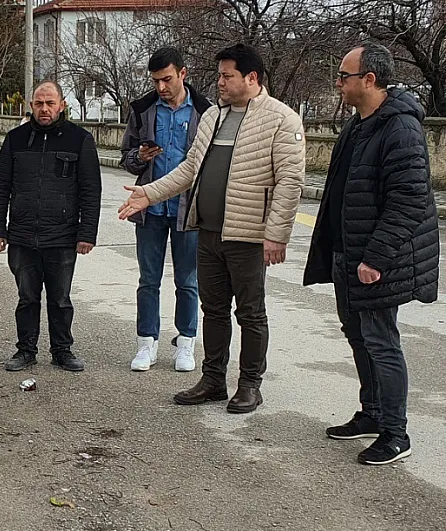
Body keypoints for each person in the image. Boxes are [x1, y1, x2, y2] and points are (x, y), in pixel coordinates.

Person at [118, 43, 305, 414]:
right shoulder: (214, 117)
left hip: (248, 236)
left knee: (250, 313)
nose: (219, 81)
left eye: (226, 75)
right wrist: (148, 195)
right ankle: (213, 379)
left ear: (251, 78)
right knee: (214, 310)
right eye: (219, 74)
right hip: (207, 232)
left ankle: (250, 384)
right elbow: (189, 170)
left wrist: (276, 234)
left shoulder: (281, 120)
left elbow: (290, 182)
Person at [303, 43, 440, 465]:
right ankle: (372, 413)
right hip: (349, 253)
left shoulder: (400, 128)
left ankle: (396, 433)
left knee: (382, 341)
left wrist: (376, 258)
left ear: (370, 79)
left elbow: (409, 199)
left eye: (344, 76)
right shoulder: (360, 125)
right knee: (358, 336)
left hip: (380, 261)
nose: (338, 84)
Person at [0, 81, 102, 372]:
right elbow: (0, 187)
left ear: (62, 105)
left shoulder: (80, 140)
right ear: (31, 105)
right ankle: (25, 350)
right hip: (23, 235)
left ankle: (62, 350)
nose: (44, 109)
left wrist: (86, 233)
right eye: (39, 103)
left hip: (63, 236)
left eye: (50, 103)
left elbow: (91, 190)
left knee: (60, 299)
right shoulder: (15, 139)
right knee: (27, 298)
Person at [120, 47, 212, 373]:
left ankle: (186, 344)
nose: (161, 87)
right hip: (150, 210)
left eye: (167, 79)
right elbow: (126, 156)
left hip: (189, 210)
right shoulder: (143, 109)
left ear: (183, 74)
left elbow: (212, 163)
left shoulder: (206, 111)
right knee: (148, 280)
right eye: (156, 80)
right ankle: (146, 343)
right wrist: (139, 158)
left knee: (188, 281)